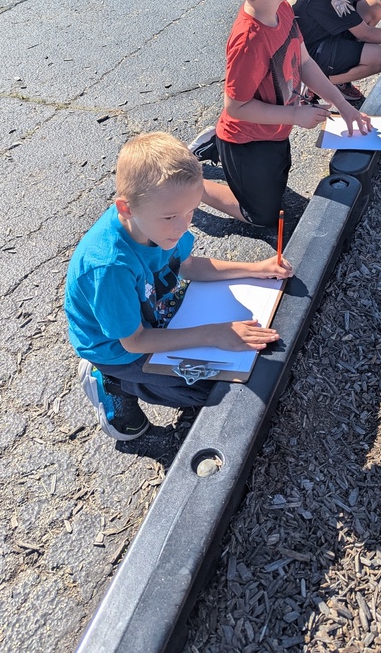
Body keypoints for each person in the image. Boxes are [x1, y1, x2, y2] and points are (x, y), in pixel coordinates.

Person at [65, 132, 291, 441]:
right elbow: (134, 342)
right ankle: (112, 381)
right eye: (171, 216)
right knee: (208, 391)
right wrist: (213, 333)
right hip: (119, 348)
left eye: (191, 211)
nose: (184, 225)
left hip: (155, 312)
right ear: (126, 208)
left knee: (239, 372)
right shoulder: (109, 268)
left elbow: (187, 265)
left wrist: (256, 269)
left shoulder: (158, 221)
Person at [212, 0, 371, 228]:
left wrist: (344, 106)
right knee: (261, 217)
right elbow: (236, 106)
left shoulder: (283, 8)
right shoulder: (249, 41)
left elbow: (305, 62)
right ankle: (193, 184)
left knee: (276, 189)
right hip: (246, 140)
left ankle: (215, 147)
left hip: (275, 129)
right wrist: (296, 115)